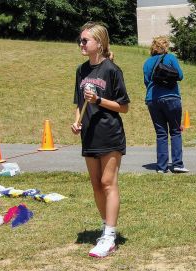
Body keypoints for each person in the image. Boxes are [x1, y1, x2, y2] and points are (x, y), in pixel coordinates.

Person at [71, 21, 130, 258]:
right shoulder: (81, 70)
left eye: (85, 40)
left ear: (99, 43)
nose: (81, 44)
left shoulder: (112, 70)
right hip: (89, 135)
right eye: (80, 40)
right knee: (95, 184)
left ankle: (109, 236)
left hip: (110, 133)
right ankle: (106, 227)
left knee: (108, 182)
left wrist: (98, 100)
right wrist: (77, 122)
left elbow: (123, 107)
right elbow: (78, 103)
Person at [143, 36, 188, 173]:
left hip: (153, 99)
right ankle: (177, 164)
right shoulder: (170, 58)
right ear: (166, 46)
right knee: (175, 131)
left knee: (161, 133)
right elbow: (180, 76)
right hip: (171, 97)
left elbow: (146, 82)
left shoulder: (147, 62)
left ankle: (161, 167)